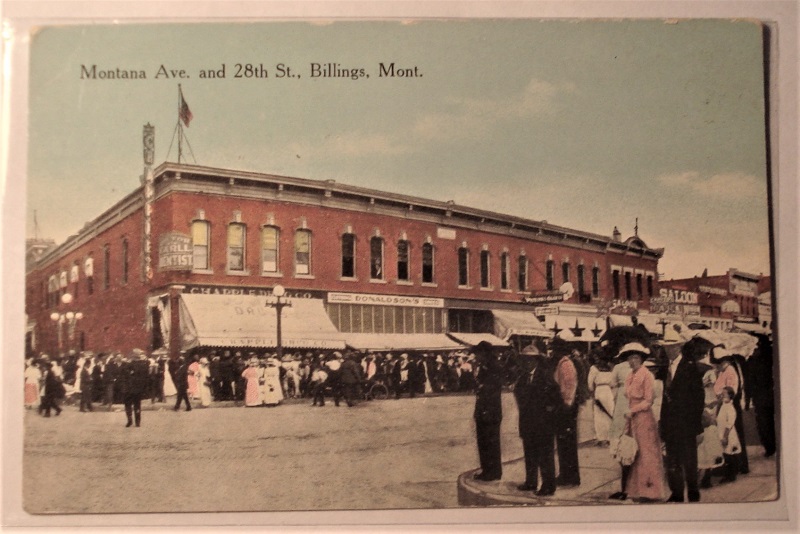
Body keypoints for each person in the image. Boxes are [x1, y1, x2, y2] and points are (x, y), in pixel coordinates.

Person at [661, 338, 705, 503]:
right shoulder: (668, 368)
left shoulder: (690, 366)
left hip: (686, 424)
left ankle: (693, 493)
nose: (668, 350)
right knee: (673, 461)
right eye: (666, 347)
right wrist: (663, 425)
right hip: (671, 424)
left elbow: (698, 398)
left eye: (671, 347)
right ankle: (677, 493)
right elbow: (666, 399)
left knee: (689, 461)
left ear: (679, 347)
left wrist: (696, 424)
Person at [513, 344, 560, 496]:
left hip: (543, 423)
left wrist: (548, 410)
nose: (527, 363)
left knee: (545, 456)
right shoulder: (523, 377)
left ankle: (548, 485)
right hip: (528, 421)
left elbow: (555, 396)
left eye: (530, 360)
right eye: (525, 360)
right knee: (530, 453)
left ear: (537, 361)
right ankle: (531, 482)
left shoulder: (545, 375)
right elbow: (518, 393)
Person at [621, 343, 665, 503]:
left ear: (641, 359)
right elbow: (627, 395)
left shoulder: (647, 375)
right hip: (632, 417)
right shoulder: (630, 376)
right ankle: (637, 490)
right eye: (630, 357)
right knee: (634, 452)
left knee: (647, 454)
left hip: (644, 417)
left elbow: (648, 401)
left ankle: (651, 491)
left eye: (635, 357)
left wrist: (633, 410)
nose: (632, 361)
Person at [713, 347, 749, 474]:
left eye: (718, 364)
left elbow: (730, 391)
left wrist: (720, 396)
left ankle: (740, 465)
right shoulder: (724, 371)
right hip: (724, 405)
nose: (717, 367)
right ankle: (733, 465)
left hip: (730, 406)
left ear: (724, 362)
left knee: (733, 436)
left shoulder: (730, 372)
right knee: (728, 436)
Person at [472, 341, 503, 482]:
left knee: (490, 442)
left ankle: (493, 472)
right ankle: (488, 470)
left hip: (490, 410)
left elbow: (493, 389)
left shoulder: (494, 367)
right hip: (484, 410)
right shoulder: (485, 366)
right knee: (484, 442)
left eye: (478, 353)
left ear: (484, 353)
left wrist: (482, 387)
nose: (476, 356)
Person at [553, 344, 581, 487]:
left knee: (566, 443)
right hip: (566, 406)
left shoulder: (565, 364)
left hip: (566, 407)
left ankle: (568, 476)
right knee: (564, 443)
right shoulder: (564, 363)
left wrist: (566, 404)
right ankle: (566, 474)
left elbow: (569, 386)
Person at [587, 351, 614, 446]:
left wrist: (592, 393)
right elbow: (612, 382)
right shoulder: (609, 368)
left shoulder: (594, 368)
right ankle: (609, 437)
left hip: (599, 390)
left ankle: (601, 437)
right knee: (609, 413)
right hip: (608, 391)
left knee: (599, 414)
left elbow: (590, 384)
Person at [717, 386, 742, 483]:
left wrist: (725, 437)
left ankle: (730, 476)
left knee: (729, 454)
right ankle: (729, 474)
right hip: (721, 433)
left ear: (730, 396)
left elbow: (729, 425)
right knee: (726, 454)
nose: (722, 395)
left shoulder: (730, 408)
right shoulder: (723, 405)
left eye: (724, 393)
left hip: (728, 435)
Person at [121, 349, 150, 427]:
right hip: (138, 389)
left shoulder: (128, 364)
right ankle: (138, 422)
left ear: (133, 356)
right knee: (137, 405)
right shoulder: (144, 365)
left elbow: (123, 373)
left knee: (128, 405)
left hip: (129, 389)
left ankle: (129, 419)